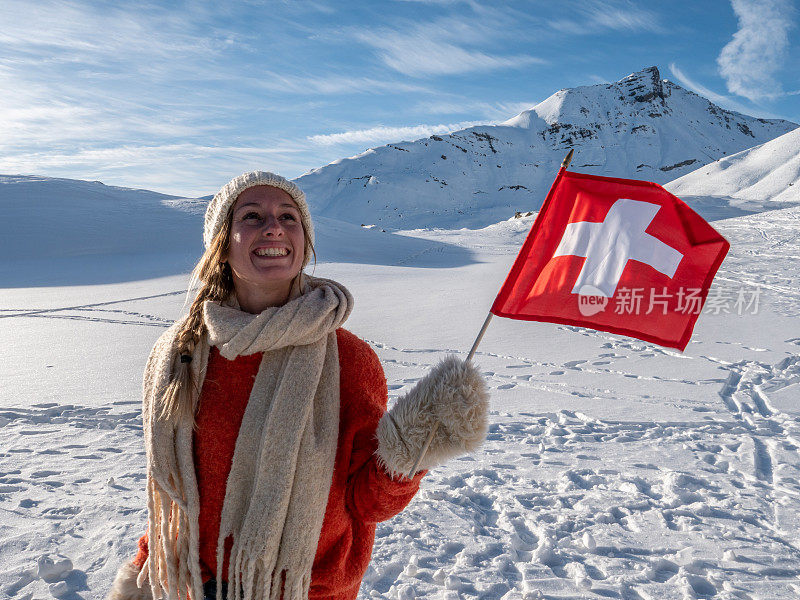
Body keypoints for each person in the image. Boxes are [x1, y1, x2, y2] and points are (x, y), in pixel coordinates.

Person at [108, 171, 489, 600]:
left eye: (288, 217)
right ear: (221, 242)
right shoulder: (180, 352)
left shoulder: (349, 360)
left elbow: (367, 503)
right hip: (191, 585)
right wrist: (147, 560)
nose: (274, 227)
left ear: (304, 242)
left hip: (302, 589)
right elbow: (173, 483)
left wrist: (415, 444)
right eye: (252, 216)